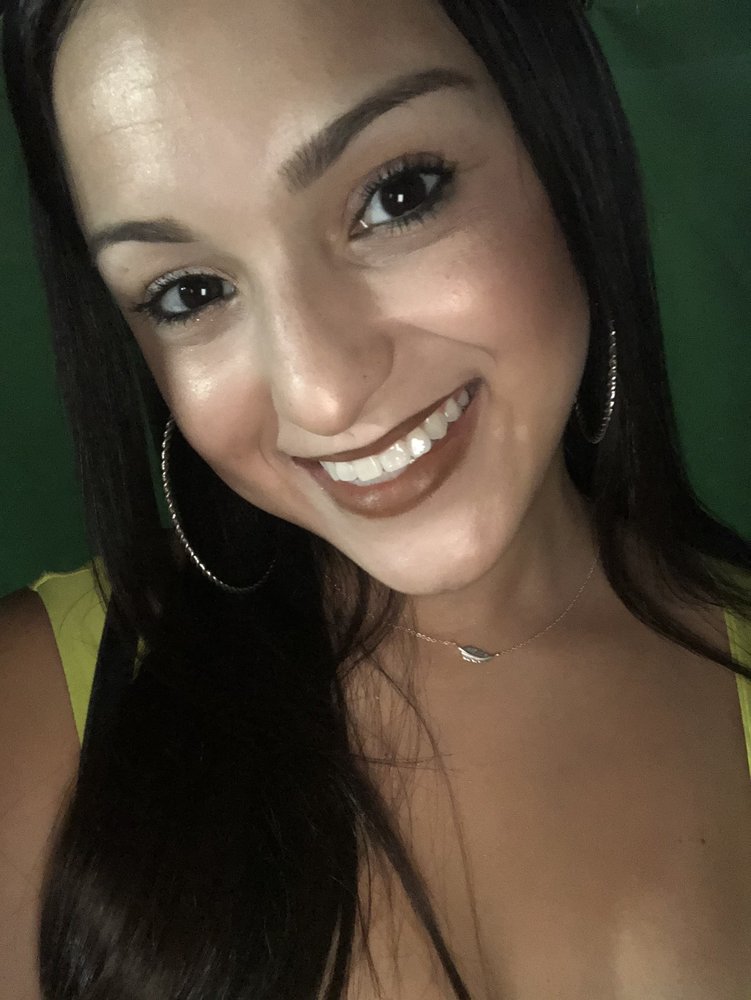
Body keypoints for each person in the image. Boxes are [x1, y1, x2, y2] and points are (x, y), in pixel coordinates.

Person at [1, 0, 750, 997]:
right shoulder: (34, 722)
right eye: (189, 292)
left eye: (397, 196)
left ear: (561, 143)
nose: (321, 390)